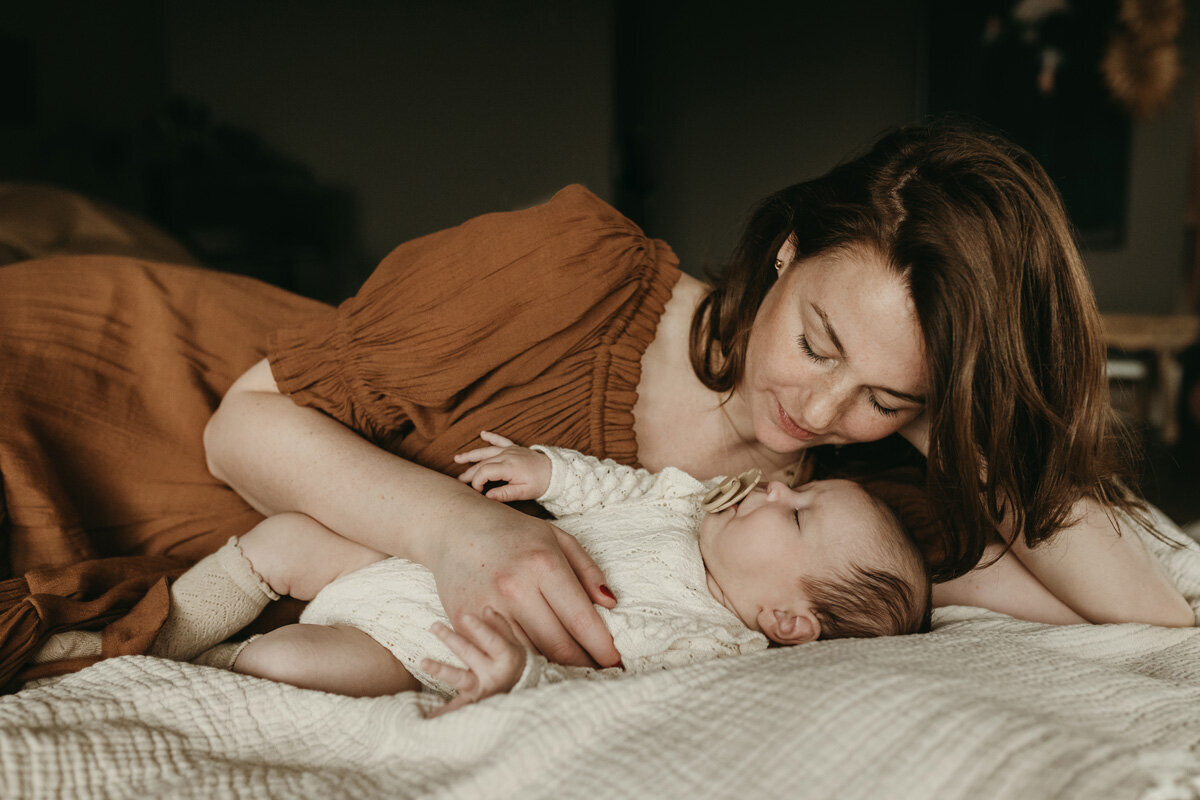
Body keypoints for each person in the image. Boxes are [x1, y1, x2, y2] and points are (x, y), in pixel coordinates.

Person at [1, 119, 1191, 688]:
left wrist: (967, 422)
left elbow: (1146, 614)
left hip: (251, 558)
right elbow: (242, 427)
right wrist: (462, 528)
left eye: (887, 392)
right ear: (782, 251)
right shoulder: (574, 268)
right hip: (116, 383)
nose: (818, 405)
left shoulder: (850, 518)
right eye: (820, 339)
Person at [128, 432, 928, 712]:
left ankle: (208, 670)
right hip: (422, 564)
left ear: (786, 619)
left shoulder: (711, 648)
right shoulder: (686, 504)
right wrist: (545, 471)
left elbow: (611, 694)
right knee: (288, 535)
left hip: (428, 643)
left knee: (287, 662)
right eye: (800, 484)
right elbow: (612, 486)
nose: (778, 487)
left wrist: (520, 680)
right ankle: (144, 642)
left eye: (796, 513)